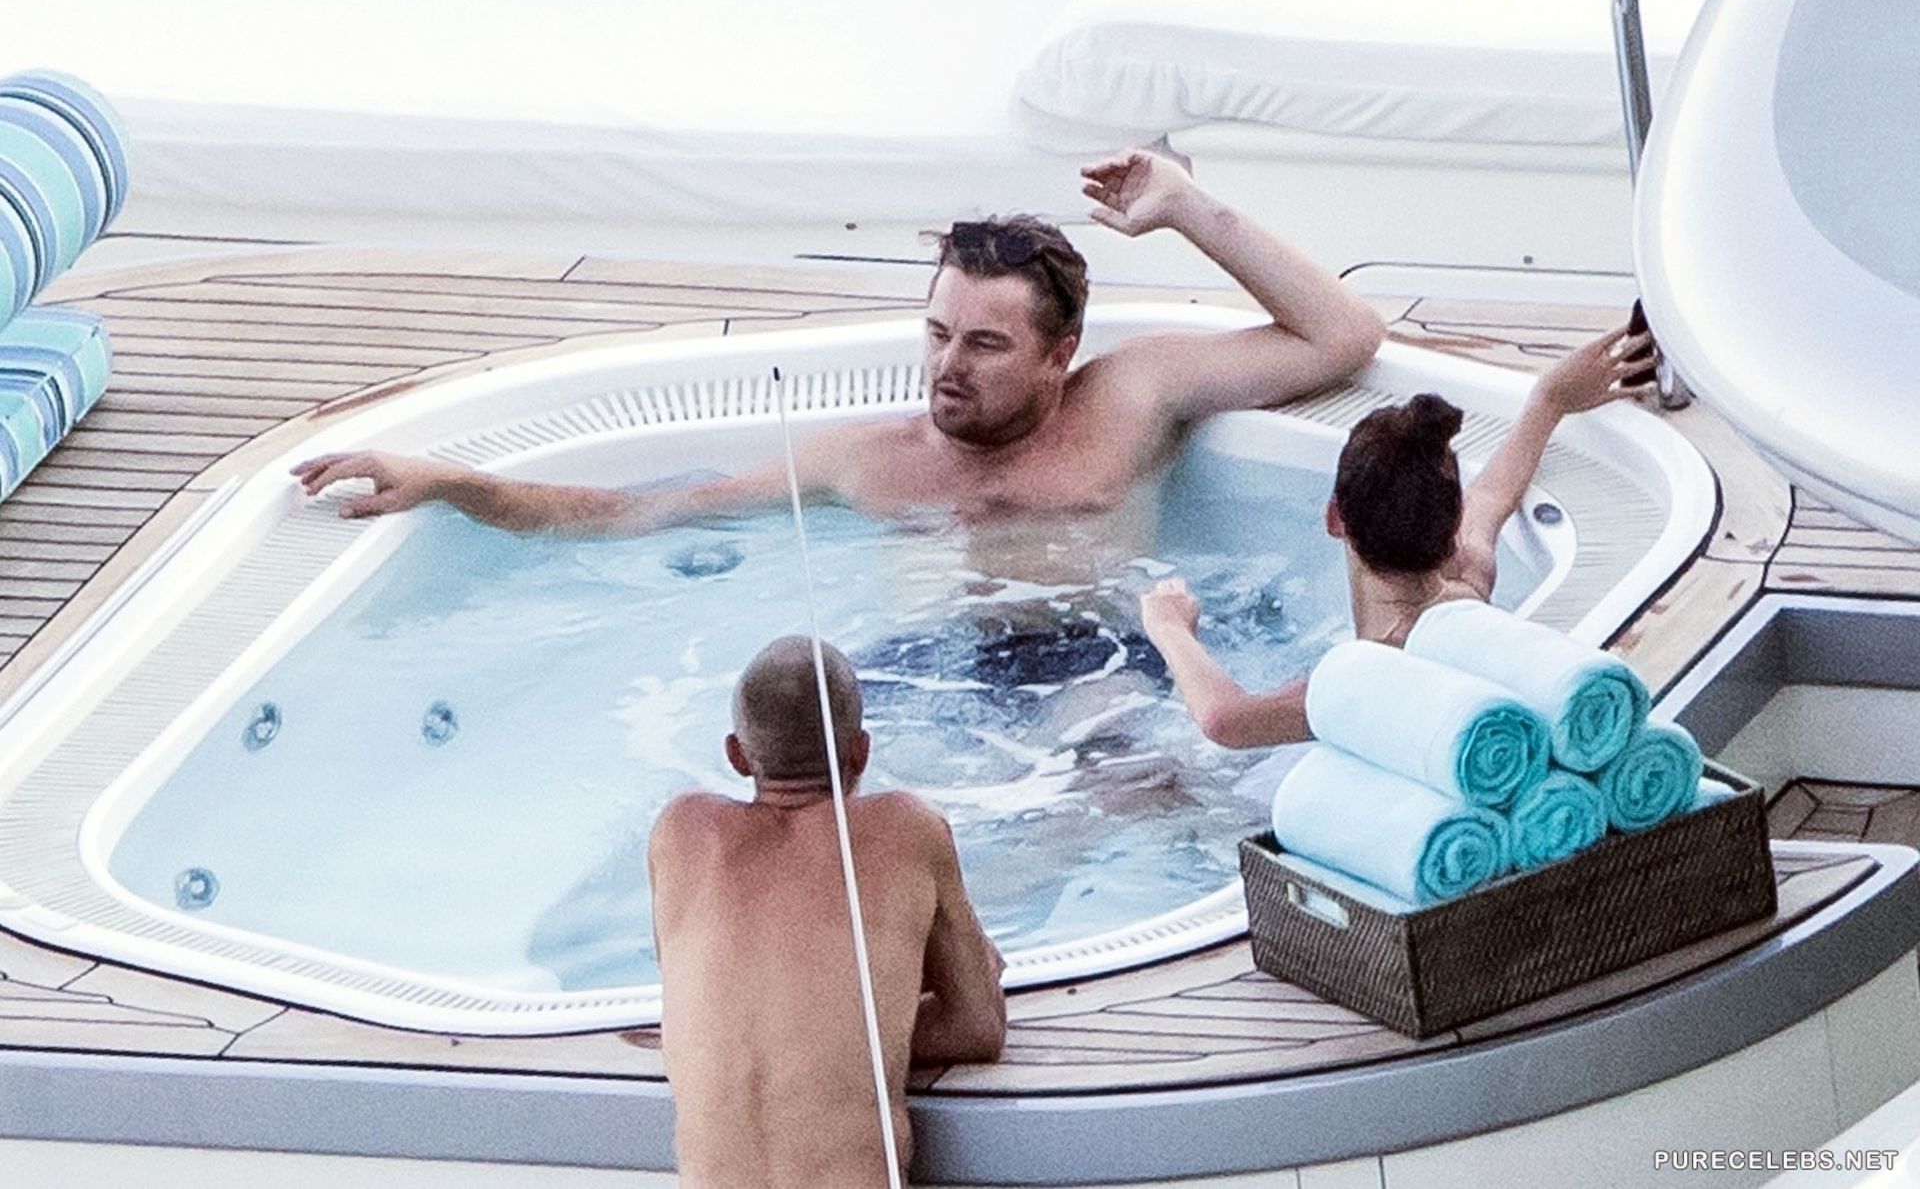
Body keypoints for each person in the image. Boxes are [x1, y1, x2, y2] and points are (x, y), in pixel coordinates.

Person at [290, 150, 1385, 542]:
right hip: (930, 687)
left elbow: (1342, 335)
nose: (948, 366)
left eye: (987, 344)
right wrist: (450, 482)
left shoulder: (1131, 395)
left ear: (1059, 354)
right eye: (938, 333)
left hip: (1099, 677)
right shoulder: (863, 459)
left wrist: (1187, 207)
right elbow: (634, 514)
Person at [1139, 327, 1656, 749]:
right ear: (1452, 534)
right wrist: (1549, 399)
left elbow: (1227, 720)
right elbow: (1492, 496)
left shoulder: (1370, 675)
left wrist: (1170, 627)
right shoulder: (1470, 580)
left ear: (1334, 518)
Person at [648, 636, 1006, 1189]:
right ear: (861, 752)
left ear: (737, 755)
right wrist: (859, 1036)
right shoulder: (906, 830)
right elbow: (977, 1027)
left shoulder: (681, 833)